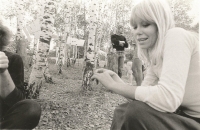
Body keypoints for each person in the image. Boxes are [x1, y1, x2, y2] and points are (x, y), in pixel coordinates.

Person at [91, 0, 200, 129]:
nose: (138, 32)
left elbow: (168, 99)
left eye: (146, 24)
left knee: (135, 112)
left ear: (160, 23)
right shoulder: (156, 56)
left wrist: (113, 86)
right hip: (183, 115)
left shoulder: (176, 35)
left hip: (194, 119)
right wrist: (118, 82)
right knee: (123, 111)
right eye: (135, 27)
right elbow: (144, 97)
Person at [0, 16, 41, 129]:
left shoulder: (13, 59)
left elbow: (16, 103)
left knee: (32, 107)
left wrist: (3, 72)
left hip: (3, 120)